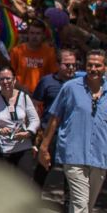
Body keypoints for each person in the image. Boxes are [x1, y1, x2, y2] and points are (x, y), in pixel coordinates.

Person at [38, 49, 107, 213]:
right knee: (80, 203)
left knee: (87, 206)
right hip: (74, 154)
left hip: (100, 155)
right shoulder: (70, 88)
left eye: (98, 65)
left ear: (105, 67)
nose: (93, 69)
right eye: (90, 65)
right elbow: (55, 119)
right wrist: (44, 147)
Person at [32, 48, 79, 189]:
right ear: (58, 64)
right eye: (67, 64)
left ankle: (68, 203)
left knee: (71, 172)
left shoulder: (81, 83)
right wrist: (38, 129)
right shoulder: (47, 82)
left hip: (72, 134)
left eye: (74, 65)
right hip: (50, 133)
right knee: (43, 168)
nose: (71, 68)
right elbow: (36, 105)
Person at [0, 65, 39, 169]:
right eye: (2, 79)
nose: (5, 82)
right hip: (2, 149)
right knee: (3, 183)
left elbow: (34, 119)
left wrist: (28, 132)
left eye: (8, 78)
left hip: (23, 147)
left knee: (24, 182)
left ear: (14, 79)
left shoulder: (24, 97)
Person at [9, 19, 58, 94]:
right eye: (32, 33)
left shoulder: (50, 52)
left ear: (43, 35)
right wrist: (21, 88)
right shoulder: (16, 51)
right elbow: (10, 76)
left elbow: (53, 76)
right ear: (28, 34)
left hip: (42, 97)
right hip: (20, 95)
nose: (34, 36)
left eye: (38, 33)